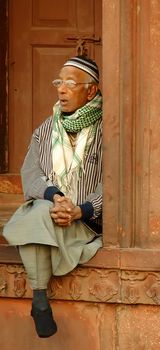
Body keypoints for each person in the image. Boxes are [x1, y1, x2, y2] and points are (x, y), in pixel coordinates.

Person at [3, 55, 103, 338]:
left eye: (71, 83)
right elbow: (31, 174)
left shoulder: (108, 129)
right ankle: (39, 298)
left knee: (35, 219)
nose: (61, 89)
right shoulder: (45, 130)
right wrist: (56, 197)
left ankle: (38, 295)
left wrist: (80, 210)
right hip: (52, 215)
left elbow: (112, 186)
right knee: (35, 211)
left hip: (85, 224)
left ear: (91, 91)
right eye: (59, 82)